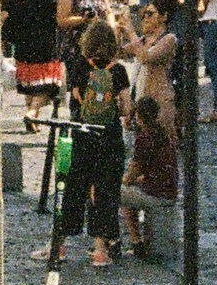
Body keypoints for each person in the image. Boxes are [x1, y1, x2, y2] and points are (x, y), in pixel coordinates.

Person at [63, 19, 131, 268]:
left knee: (74, 188)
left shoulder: (79, 67)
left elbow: (76, 102)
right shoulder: (119, 70)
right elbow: (126, 108)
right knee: (105, 192)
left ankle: (59, 245)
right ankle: (100, 250)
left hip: (83, 136)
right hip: (110, 138)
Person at [121, 91, 181, 258]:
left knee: (117, 193)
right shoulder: (164, 133)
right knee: (129, 193)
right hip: (167, 189)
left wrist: (125, 180)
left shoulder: (144, 137)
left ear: (139, 116)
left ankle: (133, 240)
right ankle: (137, 240)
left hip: (155, 193)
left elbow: (133, 172)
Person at [4, 0, 65, 113]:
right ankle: (32, 112)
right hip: (46, 49)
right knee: (46, 88)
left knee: (30, 88)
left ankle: (33, 117)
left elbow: (7, 21)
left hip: (23, 50)